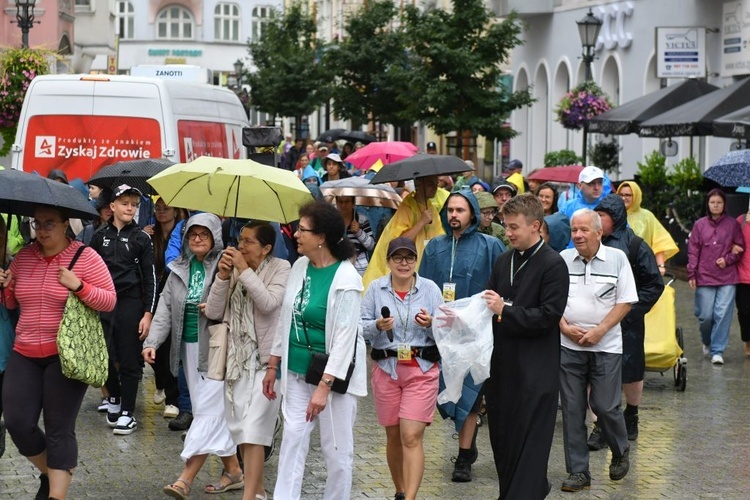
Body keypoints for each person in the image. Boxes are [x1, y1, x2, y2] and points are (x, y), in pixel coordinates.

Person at [0, 205, 116, 500]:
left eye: (49, 223)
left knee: (58, 428)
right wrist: (7, 287)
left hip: (65, 355)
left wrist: (78, 285)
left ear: (66, 224)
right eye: (37, 224)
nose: (42, 230)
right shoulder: (25, 257)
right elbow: (13, 305)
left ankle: (55, 495)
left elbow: (109, 300)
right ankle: (50, 473)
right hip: (24, 351)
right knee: (17, 422)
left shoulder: (84, 257)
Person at [263, 200, 366, 500]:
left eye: (302, 230)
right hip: (296, 371)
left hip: (332, 380)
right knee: (292, 442)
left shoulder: (347, 279)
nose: (295, 234)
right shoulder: (300, 266)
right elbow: (287, 317)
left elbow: (346, 339)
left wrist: (325, 386)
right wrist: (273, 363)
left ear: (321, 237)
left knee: (336, 451)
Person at [143, 213, 244, 498]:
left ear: (215, 237)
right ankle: (234, 471)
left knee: (207, 413)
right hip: (186, 347)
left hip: (216, 349)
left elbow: (235, 304)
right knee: (205, 411)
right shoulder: (178, 269)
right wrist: (152, 342)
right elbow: (164, 309)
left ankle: (185, 477)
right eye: (192, 234)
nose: (197, 239)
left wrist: (222, 286)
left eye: (204, 234)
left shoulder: (224, 264)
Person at [481, 194, 569, 499]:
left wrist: (505, 310)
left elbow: (549, 316)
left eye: (514, 227)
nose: (508, 233)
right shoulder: (504, 259)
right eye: (506, 226)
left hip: (535, 371)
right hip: (503, 368)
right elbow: (489, 306)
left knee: (529, 446)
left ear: (535, 225)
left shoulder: (553, 264)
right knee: (503, 441)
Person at [419, 190, 504, 483]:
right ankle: (467, 445)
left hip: (476, 335)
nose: (454, 215)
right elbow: (424, 288)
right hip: (441, 335)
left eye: (461, 210)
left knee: (469, 393)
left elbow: (498, 289)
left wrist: (473, 317)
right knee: (447, 394)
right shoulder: (434, 248)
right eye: (451, 210)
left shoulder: (490, 245)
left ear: (473, 214)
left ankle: (464, 455)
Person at [204, 221, 290, 500]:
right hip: (237, 361)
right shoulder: (233, 269)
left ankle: (249, 495)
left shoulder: (281, 268)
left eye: (249, 241)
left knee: (255, 430)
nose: (241, 246)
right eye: (240, 240)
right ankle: (259, 491)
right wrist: (222, 276)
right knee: (241, 430)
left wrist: (244, 270)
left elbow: (268, 303)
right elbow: (215, 311)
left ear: (266, 248)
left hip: (267, 362)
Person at [558, 209, 638, 492]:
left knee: (604, 405)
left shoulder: (617, 259)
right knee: (572, 409)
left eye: (583, 230)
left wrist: (600, 331)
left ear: (598, 232)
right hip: (569, 346)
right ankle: (579, 471)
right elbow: (549, 299)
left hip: (606, 346)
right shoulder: (563, 260)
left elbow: (626, 301)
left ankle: (620, 449)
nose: (577, 235)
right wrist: (564, 327)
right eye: (573, 230)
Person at [361, 237, 443, 500]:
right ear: (388, 261)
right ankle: (400, 490)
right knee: (394, 436)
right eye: (398, 257)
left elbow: (445, 329)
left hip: (421, 368)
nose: (404, 263)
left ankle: (411, 498)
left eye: (409, 258)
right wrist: (377, 326)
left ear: (416, 261)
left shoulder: (430, 289)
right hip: (386, 368)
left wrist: (431, 323)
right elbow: (360, 328)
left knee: (411, 435)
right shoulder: (375, 289)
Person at [589, 195, 663, 447]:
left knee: (630, 372)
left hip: (628, 322)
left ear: (616, 218)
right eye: (595, 215)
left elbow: (654, 285)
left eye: (603, 216)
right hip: (596, 320)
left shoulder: (636, 246)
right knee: (597, 373)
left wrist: (629, 311)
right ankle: (600, 426)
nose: (597, 221)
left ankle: (631, 414)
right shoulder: (591, 243)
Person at [89, 185, 157, 435]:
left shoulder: (142, 238)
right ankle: (114, 398)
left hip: (130, 304)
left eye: (134, 204)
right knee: (102, 355)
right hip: (103, 302)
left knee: (129, 360)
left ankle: (128, 412)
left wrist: (148, 314)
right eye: (125, 203)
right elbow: (89, 269)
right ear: (112, 207)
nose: (130, 208)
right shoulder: (99, 235)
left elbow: (151, 279)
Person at [687, 189, 744, 365]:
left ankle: (717, 350)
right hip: (704, 276)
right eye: (713, 202)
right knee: (705, 316)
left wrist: (727, 259)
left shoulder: (733, 224)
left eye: (719, 202)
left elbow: (740, 247)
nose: (716, 205)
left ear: (724, 204)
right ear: (708, 204)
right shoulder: (699, 225)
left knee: (722, 314)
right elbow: (693, 250)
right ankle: (707, 340)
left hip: (727, 277)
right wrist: (692, 273)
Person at [362, 175, 449, 289]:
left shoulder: (431, 208)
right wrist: (421, 222)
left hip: (425, 268)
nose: (435, 188)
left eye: (436, 184)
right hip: (403, 267)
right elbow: (399, 242)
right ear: (418, 184)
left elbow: (439, 237)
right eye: (430, 184)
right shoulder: (407, 206)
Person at [142, 197, 186, 420]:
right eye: (157, 208)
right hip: (152, 294)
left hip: (172, 292)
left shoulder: (183, 233)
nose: (161, 212)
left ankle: (173, 398)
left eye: (165, 208)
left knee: (169, 346)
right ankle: (160, 383)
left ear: (176, 211)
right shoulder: (150, 234)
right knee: (152, 345)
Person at [616, 181, 679, 275]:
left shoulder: (647, 216)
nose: (624, 198)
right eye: (621, 195)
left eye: (628, 195)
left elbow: (660, 241)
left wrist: (660, 265)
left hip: (643, 267)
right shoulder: (613, 215)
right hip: (618, 266)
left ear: (636, 196)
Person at [335, 196, 375, 276]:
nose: (343, 205)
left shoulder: (362, 220)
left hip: (360, 271)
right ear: (336, 203)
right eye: (340, 202)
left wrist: (359, 232)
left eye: (347, 202)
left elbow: (371, 245)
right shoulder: (333, 221)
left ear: (353, 203)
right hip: (337, 267)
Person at [735, 207, 750, 357]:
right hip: (743, 277)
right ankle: (747, 340)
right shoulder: (741, 221)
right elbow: (729, 239)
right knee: (745, 312)